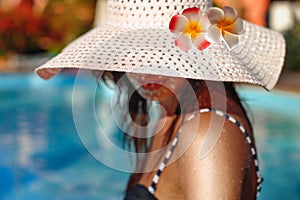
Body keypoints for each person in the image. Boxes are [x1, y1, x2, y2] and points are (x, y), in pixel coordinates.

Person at [35, 0, 286, 199]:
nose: (146, 68)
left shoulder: (205, 135)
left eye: (162, 51)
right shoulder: (170, 112)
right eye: (132, 51)